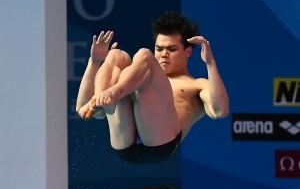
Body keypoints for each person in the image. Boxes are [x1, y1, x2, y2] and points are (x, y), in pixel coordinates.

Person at [76, 11, 229, 164]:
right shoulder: (136, 76)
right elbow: (81, 106)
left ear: (187, 51)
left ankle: (111, 96)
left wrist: (210, 64)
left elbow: (220, 111)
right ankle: (102, 105)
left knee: (144, 56)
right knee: (116, 55)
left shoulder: (197, 84)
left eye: (171, 49)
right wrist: (94, 62)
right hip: (125, 141)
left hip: (160, 144)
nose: (163, 54)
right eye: (159, 48)